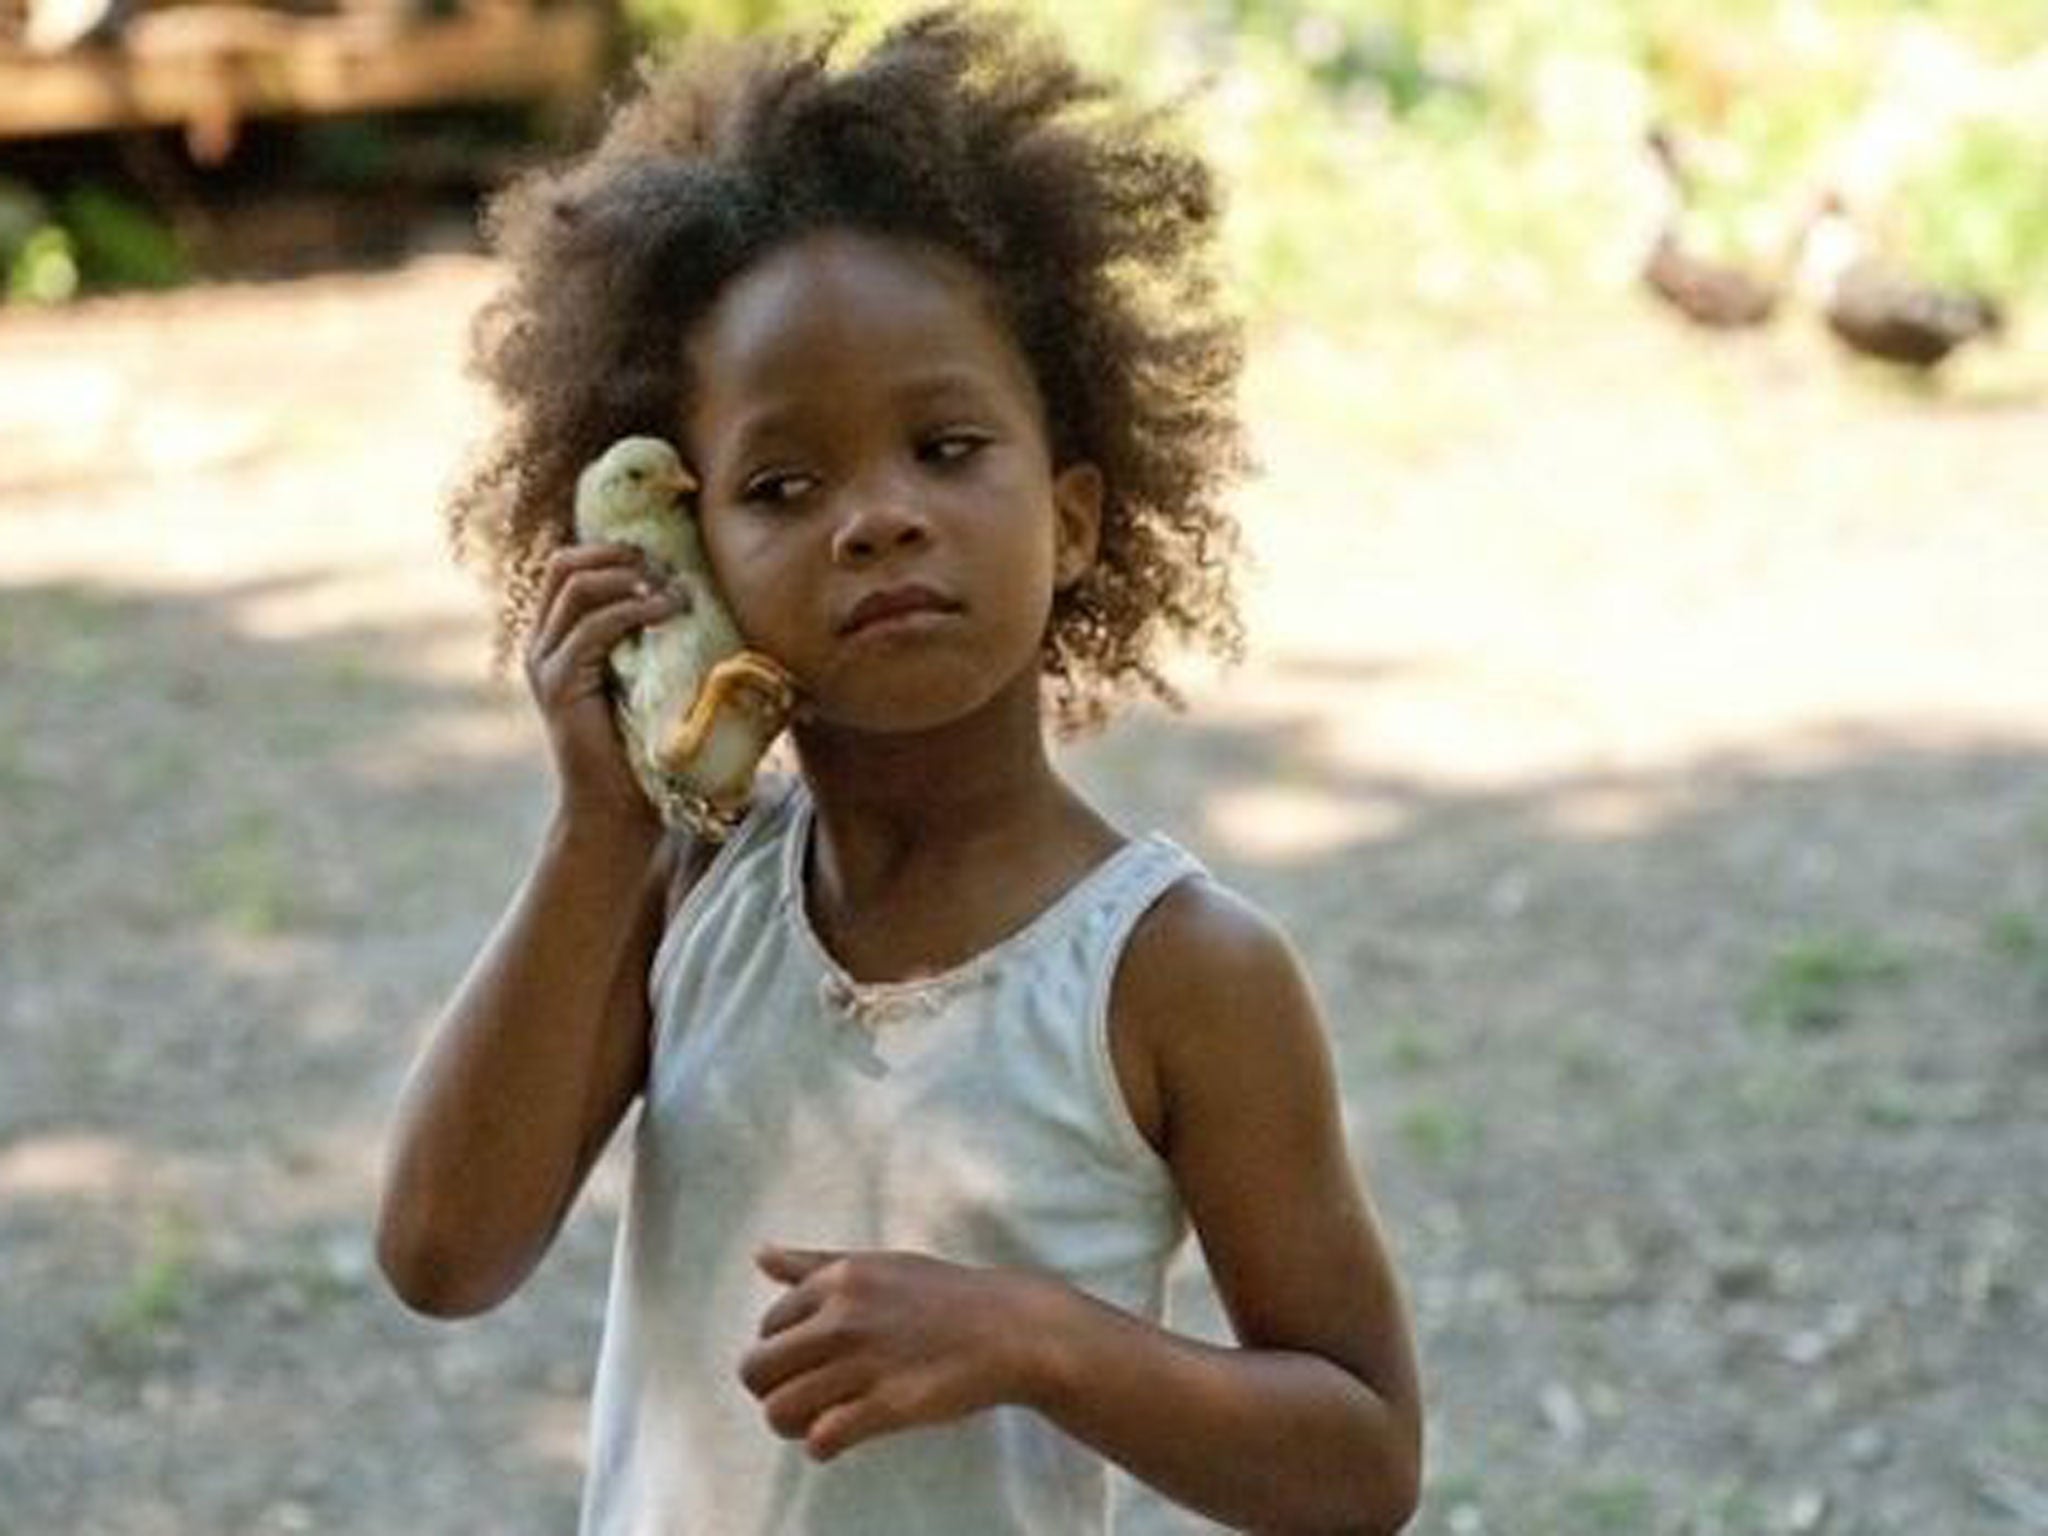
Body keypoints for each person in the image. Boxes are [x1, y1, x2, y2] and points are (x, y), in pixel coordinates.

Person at [374, 7, 1422, 1532]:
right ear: (685, 554)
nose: (879, 518)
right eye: (786, 484)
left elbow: (1362, 1461)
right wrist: (598, 830)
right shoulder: (680, 894)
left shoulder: (1179, 974)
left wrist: (1037, 1339)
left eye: (945, 448)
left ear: (1072, 517)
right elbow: (442, 1255)